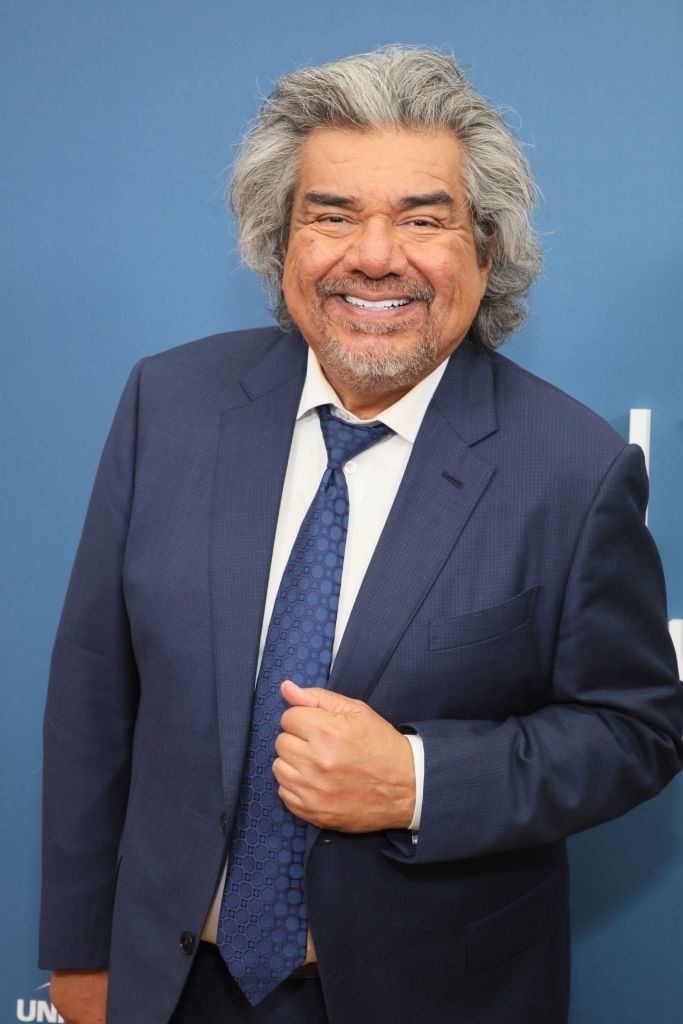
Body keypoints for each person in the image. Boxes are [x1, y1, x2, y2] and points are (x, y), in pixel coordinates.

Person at [40, 46, 683, 1024]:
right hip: (168, 987)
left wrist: (417, 780)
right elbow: (94, 701)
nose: (372, 255)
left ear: (486, 245)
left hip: (431, 993)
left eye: (421, 218)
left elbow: (633, 727)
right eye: (330, 215)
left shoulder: (573, 469)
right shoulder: (165, 404)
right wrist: (81, 963)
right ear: (279, 240)